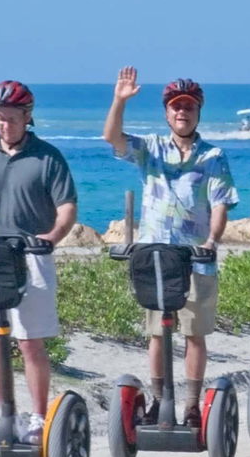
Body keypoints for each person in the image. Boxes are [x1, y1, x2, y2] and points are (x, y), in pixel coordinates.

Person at [101, 67, 238, 425]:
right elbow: (112, 138)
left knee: (194, 333)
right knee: (157, 334)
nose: (182, 112)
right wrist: (120, 100)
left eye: (189, 107)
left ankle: (192, 406)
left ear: (198, 112)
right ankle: (160, 401)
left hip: (195, 259)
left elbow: (221, 201)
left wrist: (211, 241)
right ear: (166, 112)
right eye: (176, 107)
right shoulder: (151, 149)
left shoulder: (213, 156)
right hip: (156, 258)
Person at [0, 80, 78, 444]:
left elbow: (66, 208)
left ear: (27, 117)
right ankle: (5, 413)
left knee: (30, 342)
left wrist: (52, 237)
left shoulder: (48, 157)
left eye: (12, 118)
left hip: (31, 255)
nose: (5, 125)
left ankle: (37, 417)